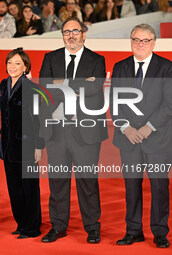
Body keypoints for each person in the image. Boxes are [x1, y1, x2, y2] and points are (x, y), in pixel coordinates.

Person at [39, 17, 107, 244]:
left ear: (84, 34)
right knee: (57, 181)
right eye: (66, 32)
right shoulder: (51, 58)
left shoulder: (97, 60)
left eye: (75, 31)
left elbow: (95, 88)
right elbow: (46, 89)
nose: (71, 36)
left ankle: (92, 227)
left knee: (87, 180)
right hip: (56, 131)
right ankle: (58, 226)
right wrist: (78, 85)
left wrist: (63, 84)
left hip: (85, 132)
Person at [111, 24, 172, 249]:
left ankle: (159, 232)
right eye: (136, 40)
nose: (140, 44)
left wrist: (149, 127)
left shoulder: (167, 68)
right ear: (131, 41)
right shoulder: (120, 67)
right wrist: (126, 127)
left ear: (154, 43)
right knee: (132, 187)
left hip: (158, 140)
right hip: (129, 140)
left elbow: (169, 104)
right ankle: (133, 231)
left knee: (159, 187)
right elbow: (115, 102)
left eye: (145, 40)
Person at [0, 48, 44, 239]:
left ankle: (32, 227)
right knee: (14, 187)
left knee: (29, 188)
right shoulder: (3, 84)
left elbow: (39, 119)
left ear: (25, 67)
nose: (12, 67)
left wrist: (39, 146)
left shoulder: (32, 88)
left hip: (27, 145)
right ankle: (21, 223)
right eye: (10, 62)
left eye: (17, 63)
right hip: (8, 146)